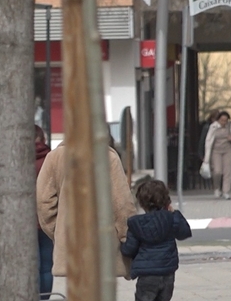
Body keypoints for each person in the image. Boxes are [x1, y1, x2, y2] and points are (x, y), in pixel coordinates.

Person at [37, 137, 136, 279]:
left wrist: (59, 232)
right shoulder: (109, 158)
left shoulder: (54, 157)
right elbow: (122, 205)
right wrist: (126, 238)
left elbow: (43, 203)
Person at [121, 180, 192, 301]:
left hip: (147, 274)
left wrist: (121, 245)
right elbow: (184, 233)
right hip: (168, 273)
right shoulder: (172, 218)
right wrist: (175, 213)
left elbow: (129, 250)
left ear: (142, 203)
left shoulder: (136, 223)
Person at [33, 125, 53, 295]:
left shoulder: (18, 160)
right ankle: (45, 297)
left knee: (32, 265)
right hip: (48, 218)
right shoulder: (50, 159)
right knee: (46, 267)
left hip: (24, 221)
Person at [203, 111, 231, 200]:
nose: (223, 122)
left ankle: (226, 191)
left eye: (225, 120)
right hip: (216, 151)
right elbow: (208, 140)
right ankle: (216, 188)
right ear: (218, 120)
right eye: (222, 120)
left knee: (228, 172)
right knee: (217, 171)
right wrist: (206, 155)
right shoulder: (213, 127)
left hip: (229, 150)